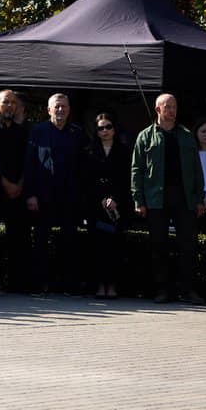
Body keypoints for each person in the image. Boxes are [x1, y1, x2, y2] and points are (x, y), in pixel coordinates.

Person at [130, 92, 203, 304]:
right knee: (158, 246)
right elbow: (137, 169)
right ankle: (162, 290)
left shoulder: (187, 135)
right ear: (158, 110)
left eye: (174, 107)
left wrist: (199, 198)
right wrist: (139, 200)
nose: (172, 111)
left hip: (184, 198)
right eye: (167, 107)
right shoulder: (145, 136)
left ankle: (187, 290)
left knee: (187, 245)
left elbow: (197, 169)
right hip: (156, 198)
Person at [25, 94, 86, 295]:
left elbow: (83, 165)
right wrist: (31, 194)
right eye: (57, 107)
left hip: (69, 196)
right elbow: (29, 165)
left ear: (69, 110)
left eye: (64, 107)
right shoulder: (38, 131)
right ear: (49, 110)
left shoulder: (77, 133)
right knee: (41, 240)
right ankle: (40, 284)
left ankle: (69, 284)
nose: (60, 110)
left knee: (70, 241)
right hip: (43, 196)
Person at [0, 90, 29, 293]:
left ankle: (17, 282)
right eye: (5, 102)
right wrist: (5, 182)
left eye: (13, 103)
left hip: (17, 192)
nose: (9, 106)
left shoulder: (21, 130)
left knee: (18, 238)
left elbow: (26, 160)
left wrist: (19, 183)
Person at [82, 111, 129, 297]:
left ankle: (113, 285)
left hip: (117, 205)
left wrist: (115, 199)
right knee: (97, 248)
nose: (105, 130)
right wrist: (100, 198)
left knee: (115, 247)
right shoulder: (88, 151)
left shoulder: (124, 151)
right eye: (101, 128)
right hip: (95, 205)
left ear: (114, 129)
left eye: (108, 126)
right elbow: (85, 179)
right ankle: (100, 285)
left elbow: (126, 179)